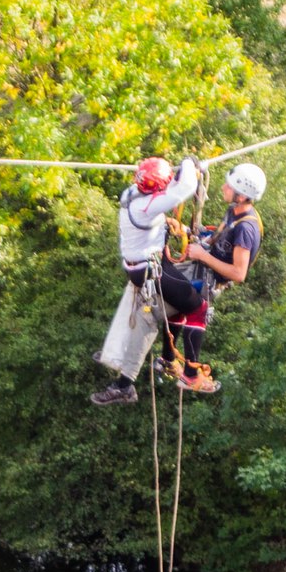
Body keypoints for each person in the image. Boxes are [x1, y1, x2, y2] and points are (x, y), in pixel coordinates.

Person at [92, 154, 203, 406]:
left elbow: (166, 193)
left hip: (144, 268)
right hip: (151, 271)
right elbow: (184, 188)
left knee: (171, 307)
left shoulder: (133, 195)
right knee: (194, 303)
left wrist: (179, 228)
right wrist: (188, 163)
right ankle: (165, 360)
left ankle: (155, 360)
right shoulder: (145, 206)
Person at [159, 162, 263, 395]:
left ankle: (190, 374)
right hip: (204, 264)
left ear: (242, 195)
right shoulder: (234, 211)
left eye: (230, 185)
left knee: (196, 309)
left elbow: (239, 273)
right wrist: (194, 237)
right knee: (176, 303)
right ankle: (167, 360)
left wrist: (204, 256)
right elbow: (218, 237)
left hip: (211, 277)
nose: (224, 187)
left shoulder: (246, 228)